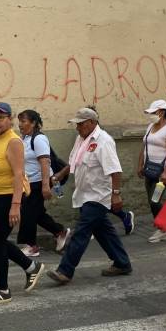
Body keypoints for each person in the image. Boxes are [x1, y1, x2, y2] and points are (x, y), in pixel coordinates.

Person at [47, 107, 132, 285]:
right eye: (76, 124)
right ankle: (122, 263)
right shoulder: (81, 139)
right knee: (103, 231)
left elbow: (115, 171)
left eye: (80, 124)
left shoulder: (104, 141)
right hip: (84, 194)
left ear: (92, 123)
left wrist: (116, 195)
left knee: (81, 233)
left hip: (99, 195)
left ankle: (65, 271)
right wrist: (59, 175)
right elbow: (73, 163)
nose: (77, 127)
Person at [0, 102, 44, 306]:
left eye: (0, 117)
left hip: (8, 199)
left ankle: (3, 289)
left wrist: (15, 205)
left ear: (10, 119)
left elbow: (18, 174)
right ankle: (31, 267)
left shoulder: (13, 142)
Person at [15, 109, 71, 257]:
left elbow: (45, 162)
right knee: (36, 213)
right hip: (30, 182)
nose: (20, 124)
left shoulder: (38, 139)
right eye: (19, 121)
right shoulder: (25, 138)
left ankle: (31, 246)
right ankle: (60, 231)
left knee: (27, 212)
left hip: (40, 181)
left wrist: (46, 186)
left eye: (23, 121)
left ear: (33, 123)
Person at [139, 100, 166, 244]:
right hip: (149, 169)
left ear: (161, 112)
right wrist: (140, 165)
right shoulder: (150, 127)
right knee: (152, 201)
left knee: (154, 200)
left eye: (153, 113)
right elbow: (144, 147)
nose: (150, 116)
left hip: (162, 171)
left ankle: (164, 229)